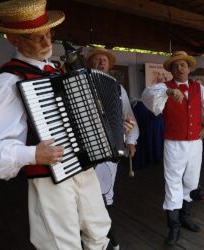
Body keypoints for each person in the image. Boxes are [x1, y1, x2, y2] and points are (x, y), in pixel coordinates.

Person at [0, 0, 115, 249]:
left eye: (49, 35)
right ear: (13, 40)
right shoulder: (7, 82)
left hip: (83, 169)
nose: (47, 43)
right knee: (61, 244)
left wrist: (108, 126)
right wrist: (32, 153)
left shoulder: (57, 72)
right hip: (49, 177)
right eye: (37, 38)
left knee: (98, 233)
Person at [141, 51, 204, 245]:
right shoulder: (163, 87)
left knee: (191, 181)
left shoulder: (199, 89)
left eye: (183, 65)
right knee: (173, 182)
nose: (179, 68)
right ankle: (173, 226)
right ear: (171, 70)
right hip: (174, 143)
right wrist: (167, 92)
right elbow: (146, 96)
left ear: (189, 68)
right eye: (175, 66)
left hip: (195, 143)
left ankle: (184, 217)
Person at [86, 48, 139, 250]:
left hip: (111, 148)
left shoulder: (118, 89)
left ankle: (107, 238)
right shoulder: (82, 84)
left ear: (109, 65)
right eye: (97, 60)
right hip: (87, 150)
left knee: (105, 195)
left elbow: (129, 116)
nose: (101, 63)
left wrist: (131, 139)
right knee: (86, 197)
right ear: (90, 64)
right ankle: (102, 238)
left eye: (104, 60)